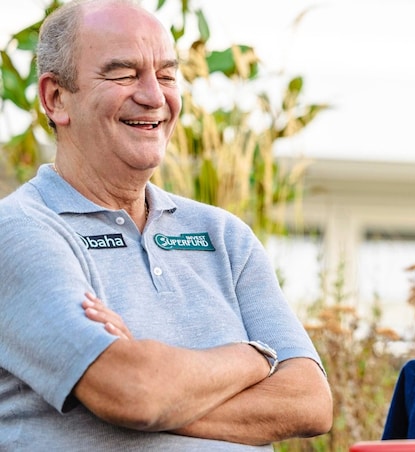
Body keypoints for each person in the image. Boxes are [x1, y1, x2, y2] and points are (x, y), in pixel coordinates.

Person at [0, 0, 332, 449]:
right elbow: (134, 393)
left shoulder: (224, 236)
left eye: (167, 75)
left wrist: (163, 389)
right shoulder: (21, 231)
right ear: (56, 98)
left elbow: (310, 402)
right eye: (123, 73)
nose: (154, 96)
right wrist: (253, 357)